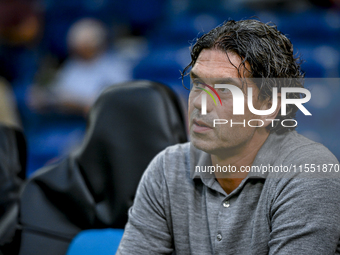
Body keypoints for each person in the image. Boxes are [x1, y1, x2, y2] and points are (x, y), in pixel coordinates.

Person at [117, 19, 340, 254]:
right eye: (198, 84)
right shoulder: (167, 167)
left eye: (224, 89)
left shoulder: (309, 172)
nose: (201, 104)